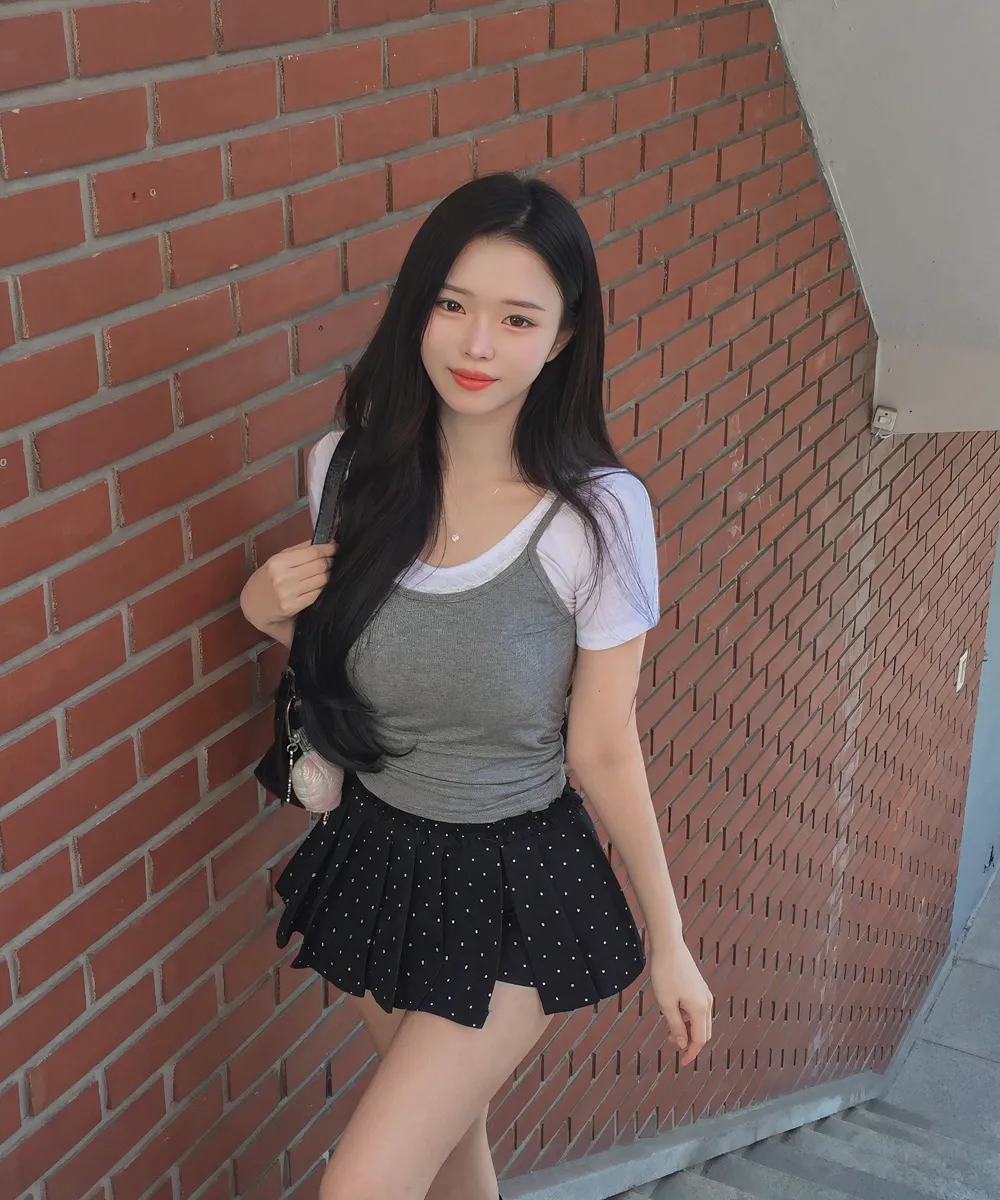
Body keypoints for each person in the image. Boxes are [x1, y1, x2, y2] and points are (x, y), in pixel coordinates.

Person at [239, 173, 713, 1200]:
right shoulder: (346, 471)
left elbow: (602, 745)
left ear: (562, 337)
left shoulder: (597, 517)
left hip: (513, 886)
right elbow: (353, 674)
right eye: (453, 304)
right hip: (377, 858)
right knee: (454, 1160)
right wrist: (268, 615)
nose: (477, 344)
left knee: (362, 1184)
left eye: (517, 318)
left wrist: (670, 940)